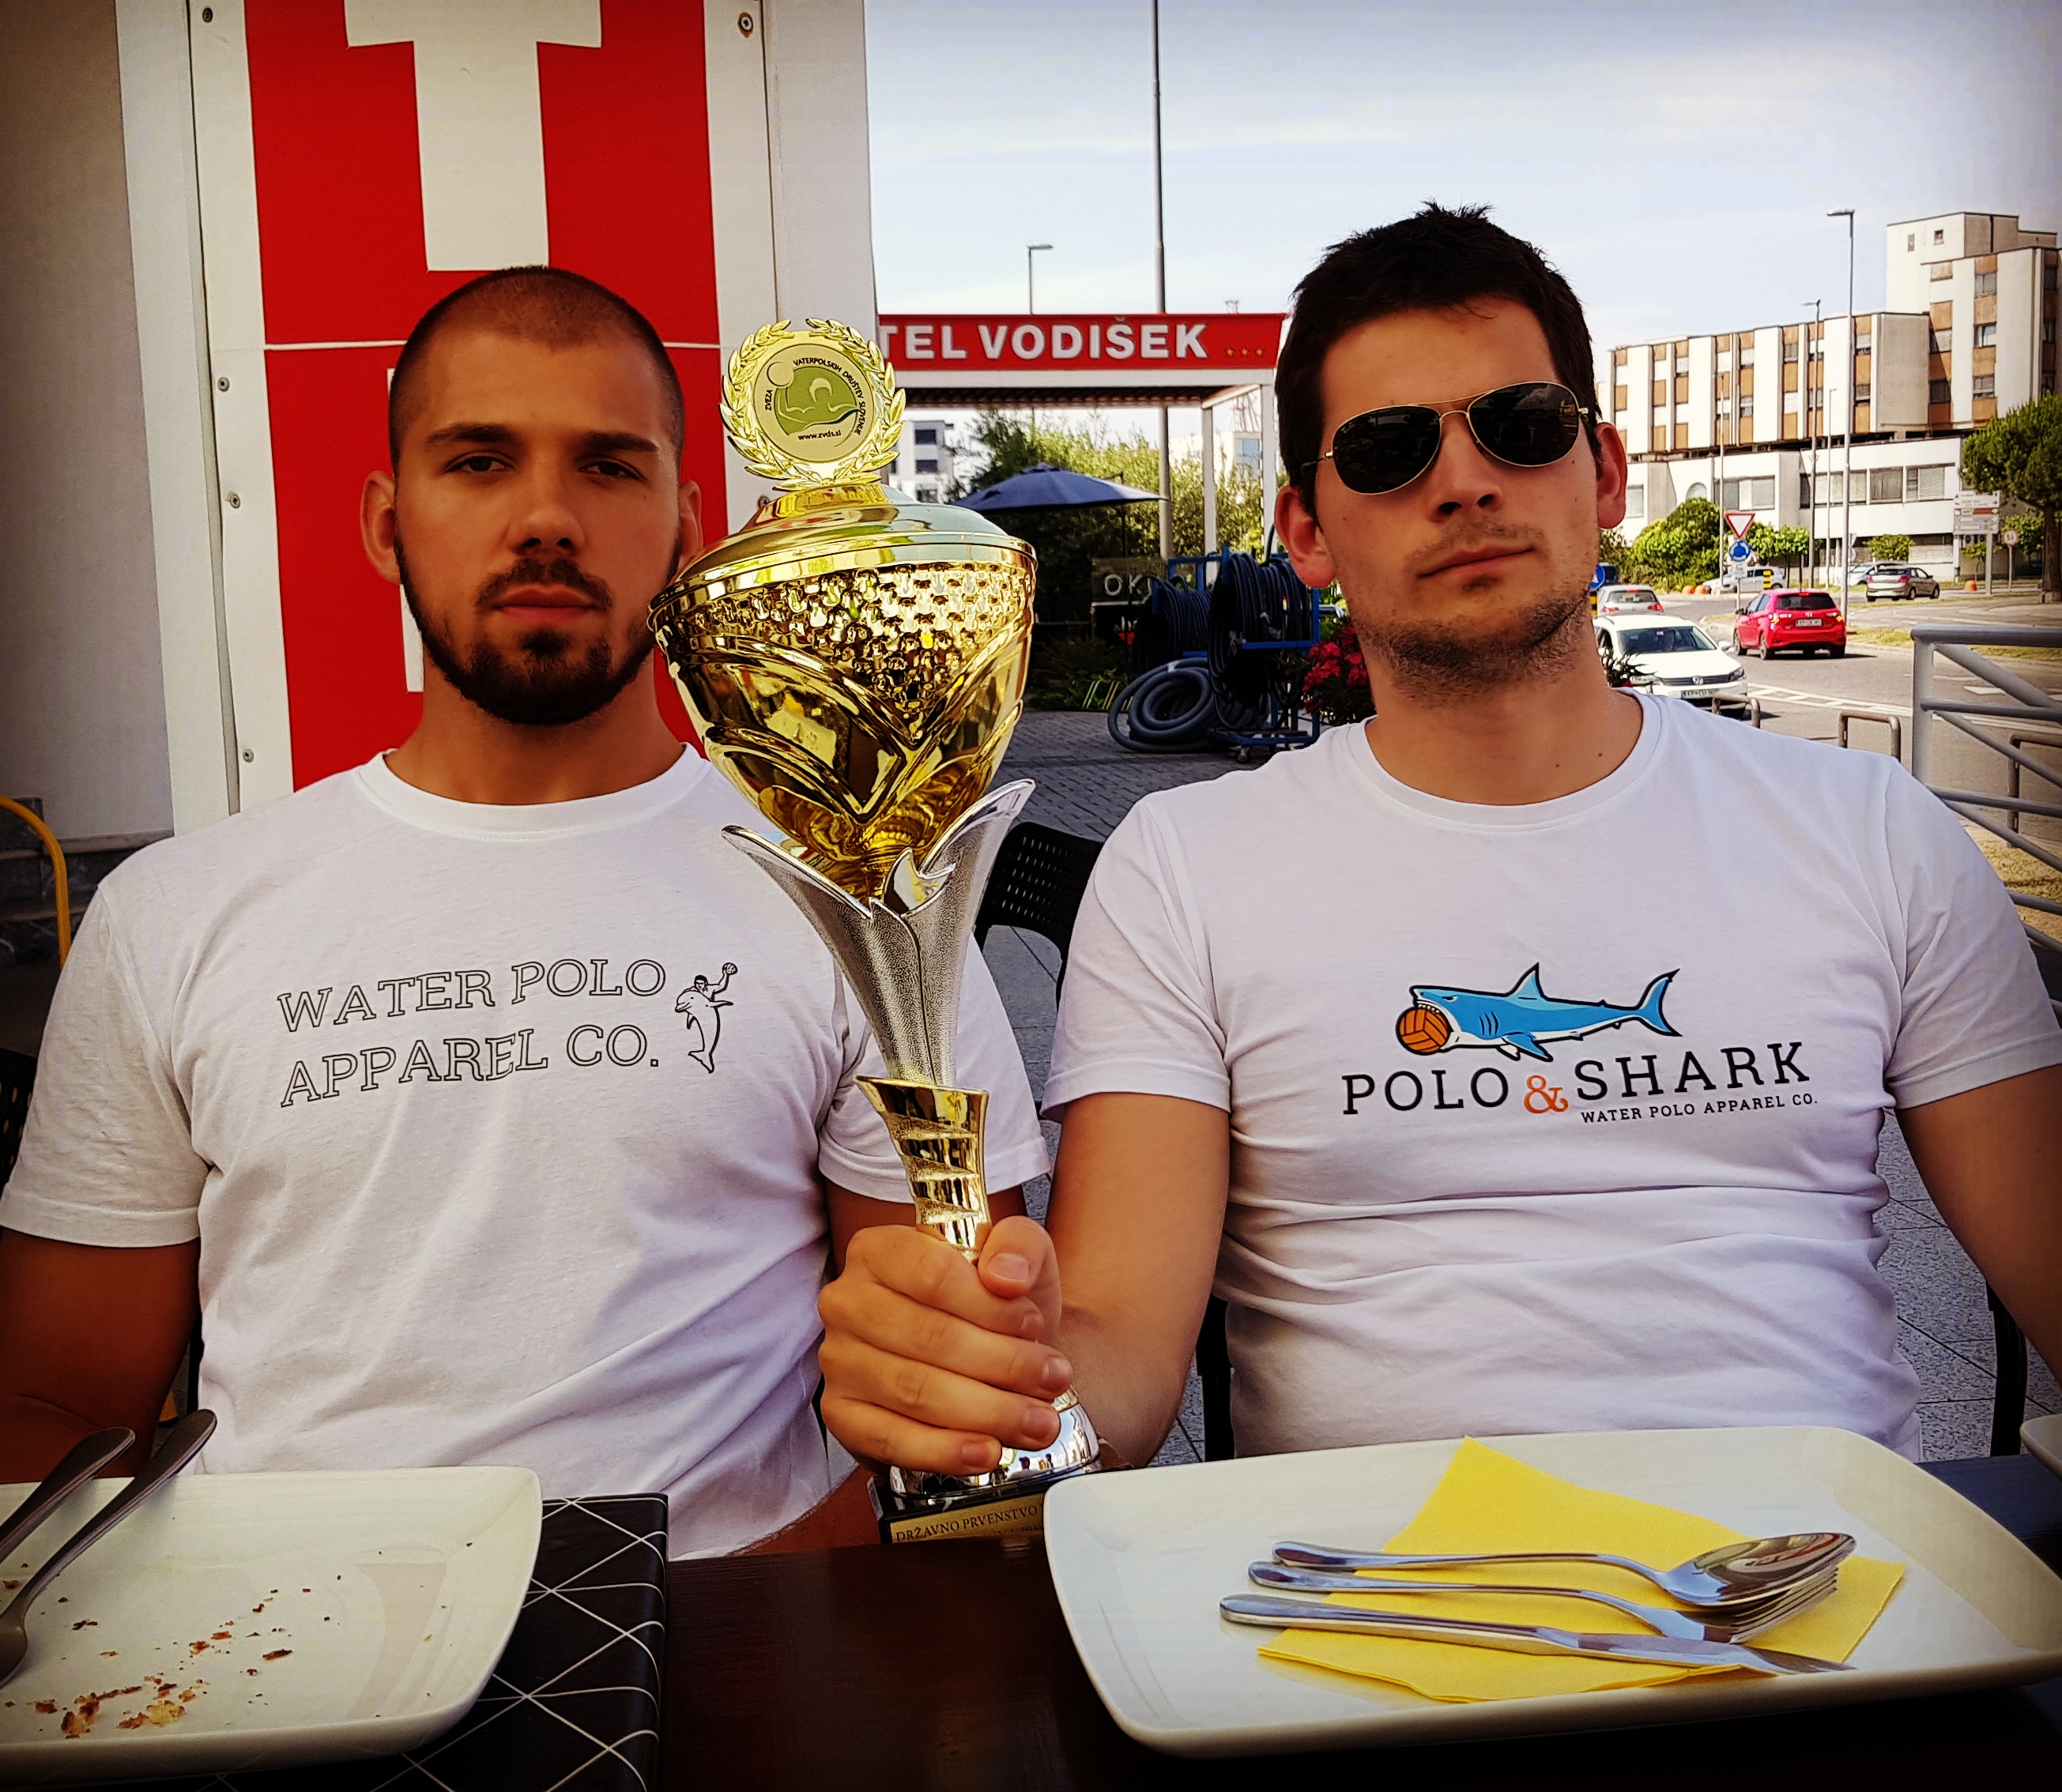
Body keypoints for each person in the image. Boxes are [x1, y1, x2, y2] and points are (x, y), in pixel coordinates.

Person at [815, 204, 2062, 1478]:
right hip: (1381, 1584)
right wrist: (996, 1374)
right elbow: (1119, 1365)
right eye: (1387, 449)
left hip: (1816, 1575)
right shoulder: (1185, 866)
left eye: (1521, 425)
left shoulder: (1869, 830)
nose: (1463, 481)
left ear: (1604, 471)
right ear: (1305, 532)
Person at [0, 267, 1045, 1556]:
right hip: (287, 1642)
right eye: (479, 461)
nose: (546, 518)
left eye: (608, 467)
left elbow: (952, 1398)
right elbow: (57, 1407)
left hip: (725, 1627)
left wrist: (733, 1627)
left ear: (686, 526)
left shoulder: (858, 896)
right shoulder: (174, 913)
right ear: (387, 522)